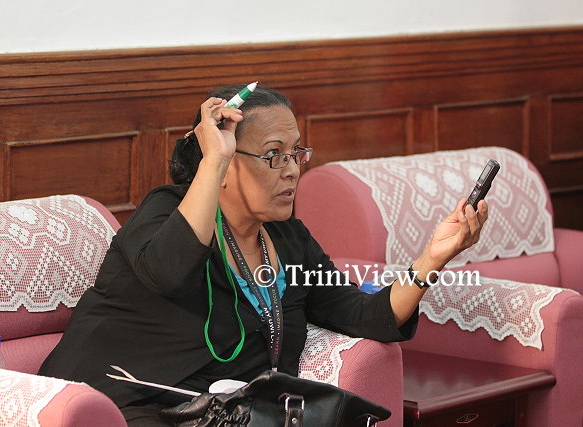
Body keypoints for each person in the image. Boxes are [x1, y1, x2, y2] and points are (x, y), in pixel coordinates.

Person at [38, 84, 488, 425]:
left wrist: (433, 258)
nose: (292, 171)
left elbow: (368, 316)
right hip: (118, 406)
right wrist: (212, 161)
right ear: (225, 162)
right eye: (274, 155)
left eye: (296, 154)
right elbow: (170, 272)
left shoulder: (288, 239)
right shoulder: (165, 211)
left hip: (223, 416)